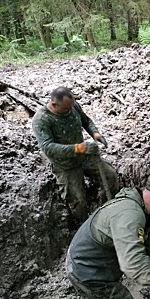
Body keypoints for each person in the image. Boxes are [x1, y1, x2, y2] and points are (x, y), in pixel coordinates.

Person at [32, 87, 119, 223]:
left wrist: (95, 133)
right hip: (65, 165)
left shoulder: (72, 106)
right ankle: (84, 226)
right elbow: (48, 148)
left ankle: (105, 213)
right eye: (66, 109)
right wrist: (79, 148)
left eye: (72, 106)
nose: (70, 111)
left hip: (84, 156)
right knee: (77, 201)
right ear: (54, 105)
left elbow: (85, 120)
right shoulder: (42, 119)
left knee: (110, 177)